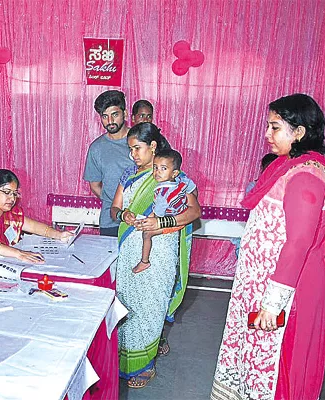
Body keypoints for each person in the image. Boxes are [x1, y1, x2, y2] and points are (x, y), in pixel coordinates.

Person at [211, 94, 325, 400]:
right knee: (253, 361)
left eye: (274, 127)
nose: (266, 134)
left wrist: (272, 304)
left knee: (280, 370)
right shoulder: (290, 166)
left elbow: (299, 243)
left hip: (290, 294)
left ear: (299, 132)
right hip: (269, 286)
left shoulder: (307, 176)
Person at [110, 123, 201, 388]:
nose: (133, 155)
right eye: (130, 149)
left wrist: (161, 223)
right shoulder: (129, 174)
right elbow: (115, 209)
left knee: (151, 304)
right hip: (129, 249)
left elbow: (194, 212)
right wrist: (123, 214)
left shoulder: (175, 177)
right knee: (127, 304)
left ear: (153, 146)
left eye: (137, 148)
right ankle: (123, 359)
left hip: (160, 248)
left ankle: (145, 365)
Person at [130, 149, 197, 274]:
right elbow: (193, 188)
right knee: (145, 220)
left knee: (146, 234)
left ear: (174, 173)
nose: (157, 172)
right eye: (155, 168)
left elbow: (159, 214)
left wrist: (152, 220)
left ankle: (144, 261)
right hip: (179, 215)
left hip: (172, 221)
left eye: (163, 168)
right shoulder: (181, 183)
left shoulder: (163, 192)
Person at [84, 90, 133, 236]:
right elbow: (95, 185)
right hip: (110, 222)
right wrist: (115, 205)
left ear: (124, 114)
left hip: (142, 220)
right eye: (105, 116)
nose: (110, 121)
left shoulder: (141, 141)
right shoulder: (96, 148)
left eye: (115, 114)